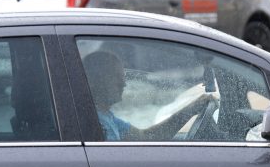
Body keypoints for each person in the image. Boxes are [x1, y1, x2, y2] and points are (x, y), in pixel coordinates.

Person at [82, 50, 217, 141]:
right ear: (95, 80)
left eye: (122, 77)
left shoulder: (108, 118)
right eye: (116, 77)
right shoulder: (94, 124)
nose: (123, 84)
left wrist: (190, 110)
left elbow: (147, 137)